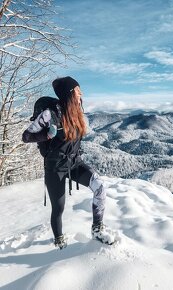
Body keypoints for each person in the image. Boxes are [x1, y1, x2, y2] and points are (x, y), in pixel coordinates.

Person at [22, 76, 111, 249]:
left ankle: (97, 228)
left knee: (99, 187)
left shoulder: (76, 112)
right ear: (70, 93)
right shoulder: (50, 114)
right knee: (58, 208)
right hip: (55, 168)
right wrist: (46, 135)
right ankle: (59, 241)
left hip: (74, 163)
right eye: (78, 90)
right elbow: (26, 136)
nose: (81, 93)